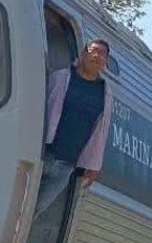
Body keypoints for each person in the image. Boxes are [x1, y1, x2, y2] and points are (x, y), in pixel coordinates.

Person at [33, 39, 116, 217]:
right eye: (93, 51)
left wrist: (94, 164)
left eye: (102, 54)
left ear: (106, 61)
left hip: (66, 165)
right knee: (19, 201)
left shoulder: (105, 93)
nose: (97, 56)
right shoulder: (60, 77)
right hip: (41, 152)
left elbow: (101, 131)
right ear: (84, 54)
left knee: (36, 209)